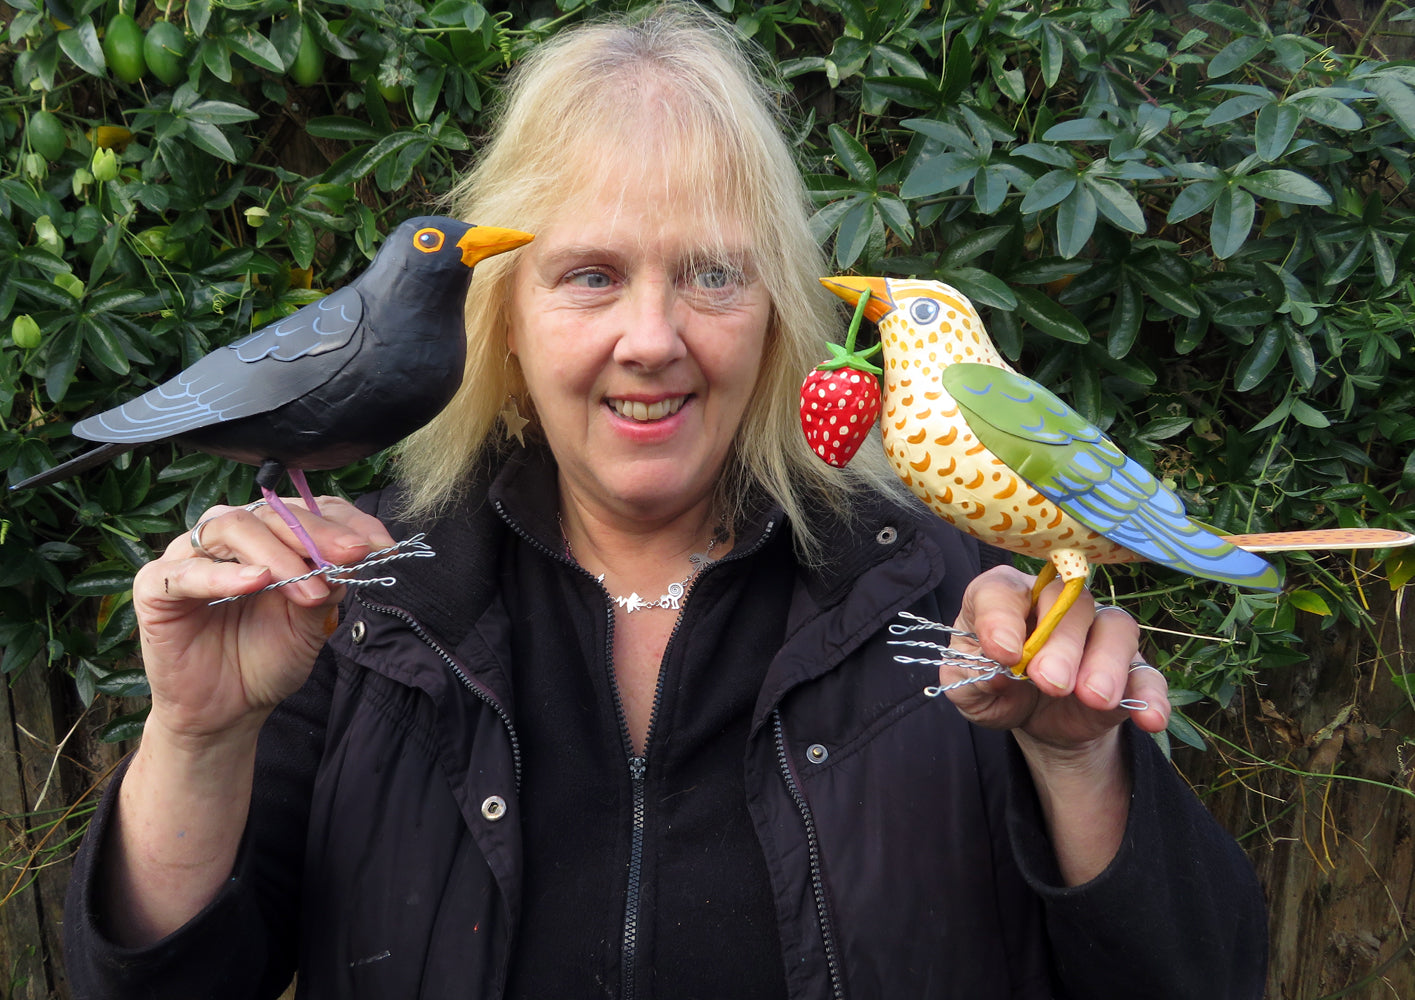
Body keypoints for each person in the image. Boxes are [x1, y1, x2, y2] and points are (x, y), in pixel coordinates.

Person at [63, 5, 1267, 998]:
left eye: (709, 273)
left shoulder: (950, 602)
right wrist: (200, 736)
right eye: (590, 274)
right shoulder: (354, 603)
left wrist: (1073, 762)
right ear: (504, 321)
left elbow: (1203, 976)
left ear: (782, 315)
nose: (653, 338)